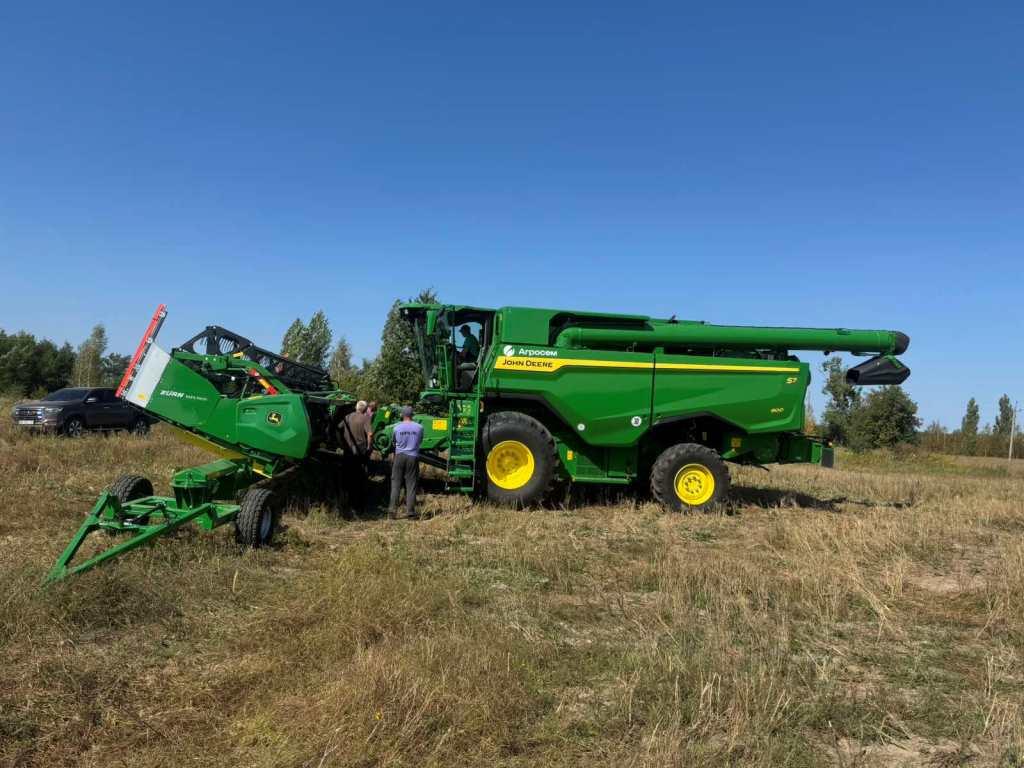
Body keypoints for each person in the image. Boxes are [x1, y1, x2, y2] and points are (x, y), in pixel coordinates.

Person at [388, 405, 423, 519]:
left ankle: (392, 513)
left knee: (396, 485)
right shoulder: (419, 427)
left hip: (399, 457)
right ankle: (410, 513)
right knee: (411, 486)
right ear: (412, 415)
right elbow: (420, 441)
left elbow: (393, 442)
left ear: (402, 415)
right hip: (413, 457)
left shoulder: (396, 428)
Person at [341, 401, 373, 514]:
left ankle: (348, 505)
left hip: (348, 451)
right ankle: (359, 506)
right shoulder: (365, 419)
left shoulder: (347, 417)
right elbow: (370, 434)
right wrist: (369, 447)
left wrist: (342, 443)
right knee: (360, 478)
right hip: (361, 452)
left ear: (356, 407)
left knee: (349, 477)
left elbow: (338, 428)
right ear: (364, 409)